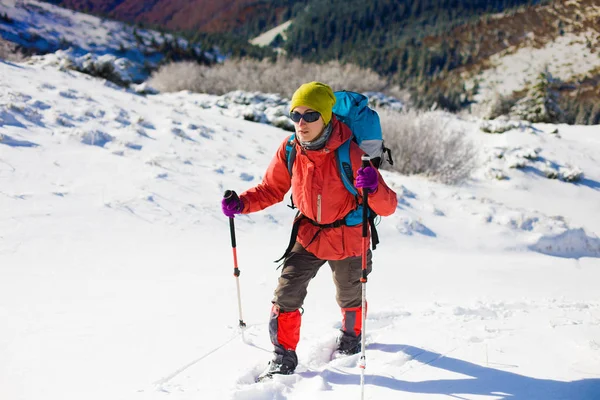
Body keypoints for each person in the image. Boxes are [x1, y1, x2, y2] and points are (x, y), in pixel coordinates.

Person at [221, 82, 397, 379]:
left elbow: (387, 205)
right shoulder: (291, 148)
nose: (301, 123)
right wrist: (242, 203)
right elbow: (271, 189)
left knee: (350, 296)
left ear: (327, 117)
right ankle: (282, 358)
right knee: (286, 295)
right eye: (296, 115)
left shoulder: (351, 154)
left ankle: (352, 341)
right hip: (308, 235)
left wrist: (374, 184)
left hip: (349, 237)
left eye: (311, 115)